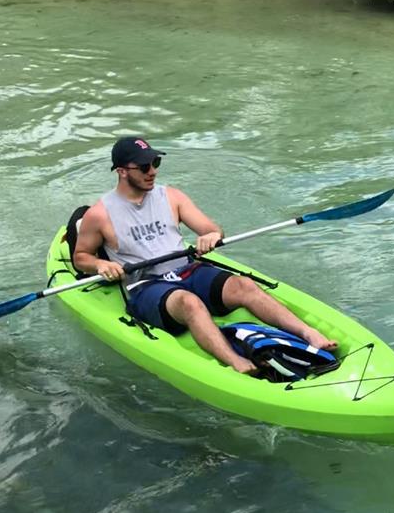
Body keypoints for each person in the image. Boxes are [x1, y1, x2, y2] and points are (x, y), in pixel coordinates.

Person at [74, 137, 336, 374]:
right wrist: (100, 264)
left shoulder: (172, 196)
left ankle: (308, 333)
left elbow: (212, 228)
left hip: (187, 269)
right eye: (144, 167)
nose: (152, 171)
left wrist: (210, 236)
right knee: (189, 303)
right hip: (146, 285)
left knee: (244, 285)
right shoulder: (99, 214)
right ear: (121, 172)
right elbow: (81, 257)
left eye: (155, 162)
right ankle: (237, 362)